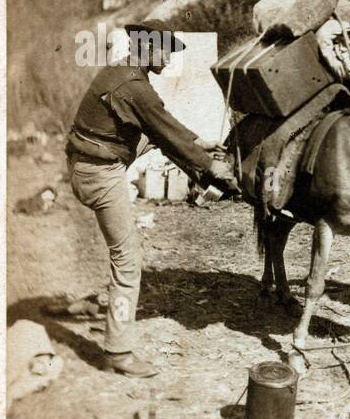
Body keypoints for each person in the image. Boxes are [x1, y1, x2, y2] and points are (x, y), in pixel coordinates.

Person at [65, 19, 238, 377]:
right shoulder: (136, 88)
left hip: (87, 161)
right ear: (148, 47)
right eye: (167, 50)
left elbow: (162, 129)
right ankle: (118, 352)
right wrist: (213, 167)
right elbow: (160, 124)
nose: (170, 58)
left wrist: (195, 143)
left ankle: (93, 306)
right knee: (128, 262)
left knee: (164, 140)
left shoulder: (122, 73)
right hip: (100, 174)